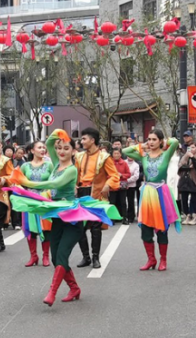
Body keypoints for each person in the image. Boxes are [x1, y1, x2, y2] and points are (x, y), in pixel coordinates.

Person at [8, 130, 120, 306]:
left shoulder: (71, 170)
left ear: (73, 151)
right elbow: (50, 142)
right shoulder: (55, 165)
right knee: (55, 258)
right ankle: (74, 288)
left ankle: (52, 293)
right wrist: (59, 133)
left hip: (72, 219)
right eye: (59, 148)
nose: (61, 151)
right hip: (57, 217)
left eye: (66, 148)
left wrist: (27, 183)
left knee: (61, 255)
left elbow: (54, 183)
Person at [122, 129, 180, 272]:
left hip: (161, 193)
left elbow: (175, 142)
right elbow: (125, 150)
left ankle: (163, 259)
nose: (151, 142)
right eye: (149, 139)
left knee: (162, 228)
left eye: (154, 139)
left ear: (160, 141)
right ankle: (151, 259)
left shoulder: (166, 154)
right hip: (147, 193)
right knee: (146, 228)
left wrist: (166, 143)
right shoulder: (144, 156)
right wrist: (141, 146)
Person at [73, 128, 120, 269]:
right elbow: (76, 174)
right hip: (81, 193)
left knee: (95, 227)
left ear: (92, 140)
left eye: (84, 139)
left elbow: (114, 175)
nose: (81, 141)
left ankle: (95, 257)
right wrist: (74, 185)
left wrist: (107, 185)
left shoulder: (104, 157)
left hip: (96, 194)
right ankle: (85, 256)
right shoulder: (79, 156)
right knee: (79, 227)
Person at [18, 145, 53, 267]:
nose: (43, 150)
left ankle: (45, 256)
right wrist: (22, 193)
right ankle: (33, 256)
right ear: (32, 151)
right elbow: (17, 181)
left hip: (44, 199)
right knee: (30, 228)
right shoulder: (25, 166)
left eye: (44, 147)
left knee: (46, 228)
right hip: (30, 200)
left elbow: (54, 181)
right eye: (39, 147)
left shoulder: (49, 165)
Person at [178, 144, 196, 226]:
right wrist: (188, 166)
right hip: (184, 180)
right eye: (190, 147)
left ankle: (194, 215)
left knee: (194, 198)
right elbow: (180, 166)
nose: (191, 149)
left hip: (193, 180)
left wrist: (192, 157)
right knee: (184, 198)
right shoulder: (184, 156)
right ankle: (187, 214)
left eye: (193, 147)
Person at [108, 147, 132, 225]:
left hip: (122, 185)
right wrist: (114, 176)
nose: (116, 155)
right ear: (112, 155)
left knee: (123, 202)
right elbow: (106, 174)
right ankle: (112, 218)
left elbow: (128, 174)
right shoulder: (110, 163)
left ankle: (124, 218)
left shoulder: (124, 163)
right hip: (112, 185)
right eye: (115, 153)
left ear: (120, 154)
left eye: (118, 153)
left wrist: (121, 175)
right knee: (112, 202)